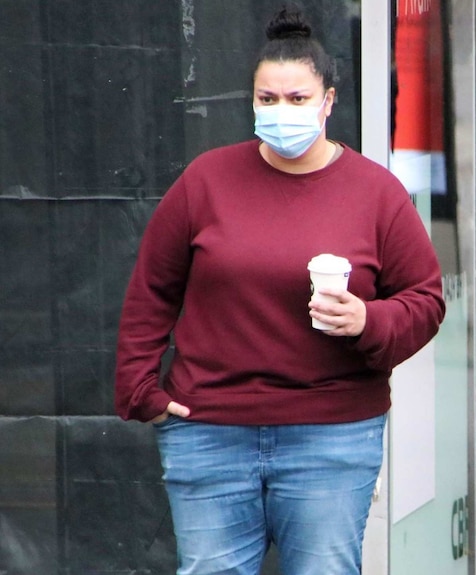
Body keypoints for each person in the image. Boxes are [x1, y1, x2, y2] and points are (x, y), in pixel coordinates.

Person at [114, 6, 445, 575]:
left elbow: (425, 299)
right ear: (252, 102)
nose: (281, 111)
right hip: (209, 430)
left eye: (297, 99)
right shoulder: (206, 181)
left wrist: (368, 321)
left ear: (329, 102)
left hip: (332, 436)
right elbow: (151, 290)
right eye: (267, 99)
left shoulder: (376, 193)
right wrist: (142, 390)